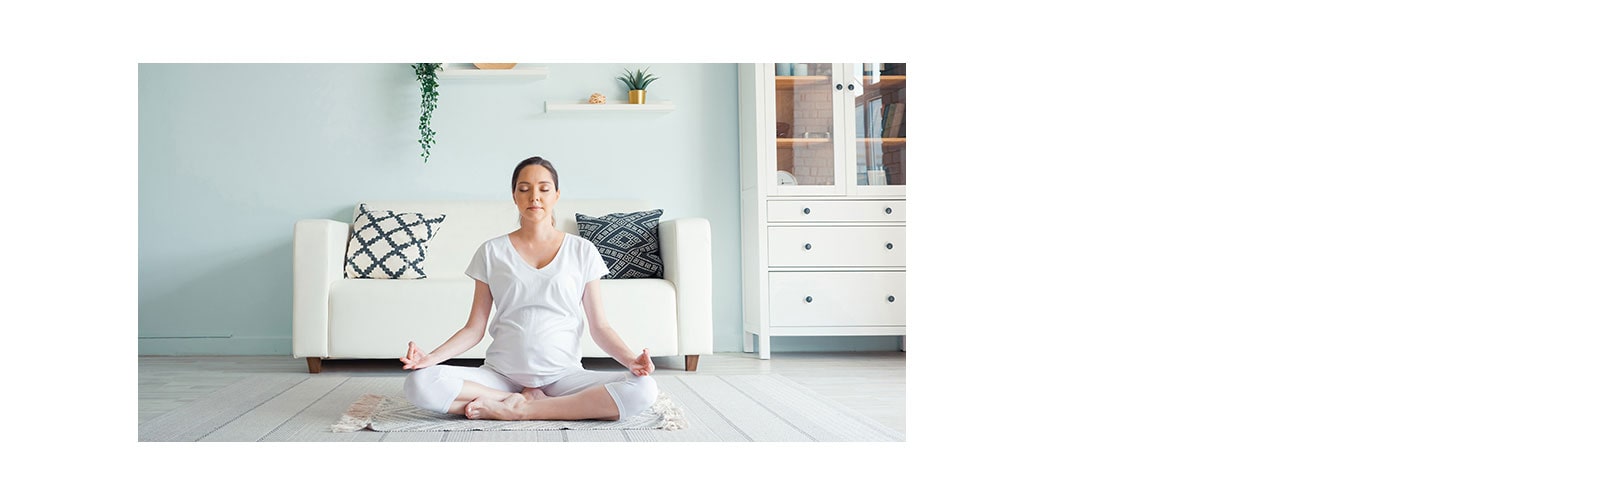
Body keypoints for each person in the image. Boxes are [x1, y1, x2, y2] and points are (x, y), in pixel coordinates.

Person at [399, 156, 659, 421]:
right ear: (514, 196)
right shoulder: (492, 251)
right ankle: (520, 401)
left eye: (544, 189)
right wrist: (429, 358)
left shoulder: (582, 251)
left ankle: (519, 410)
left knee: (644, 389)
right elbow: (474, 329)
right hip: (501, 377)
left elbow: (600, 327)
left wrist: (631, 361)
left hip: (564, 377)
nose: (534, 196)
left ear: (556, 195)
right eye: (524, 189)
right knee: (419, 383)